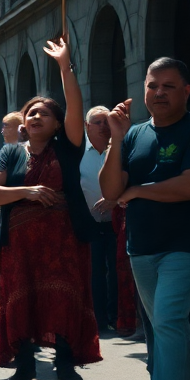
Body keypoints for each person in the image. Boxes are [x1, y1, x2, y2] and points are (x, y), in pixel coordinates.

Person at [101, 57, 190, 380]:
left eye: (168, 86)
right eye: (153, 86)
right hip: (142, 252)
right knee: (171, 330)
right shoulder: (134, 134)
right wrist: (115, 142)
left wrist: (137, 191)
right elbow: (110, 192)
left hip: (188, 249)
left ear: (186, 91)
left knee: (167, 322)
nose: (159, 93)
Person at [0, 38, 99, 380]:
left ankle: (65, 364)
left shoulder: (69, 148)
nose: (34, 116)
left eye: (43, 113)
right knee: (22, 301)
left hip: (63, 242)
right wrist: (28, 191)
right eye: (30, 112)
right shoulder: (9, 153)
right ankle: (25, 364)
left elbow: (76, 106)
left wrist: (65, 67)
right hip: (19, 245)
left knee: (63, 297)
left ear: (57, 124)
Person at [79, 106, 121, 334]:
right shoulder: (79, 154)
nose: (103, 126)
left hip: (116, 220)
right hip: (90, 223)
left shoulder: (118, 149)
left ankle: (116, 316)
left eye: (106, 121)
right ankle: (98, 318)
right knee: (94, 271)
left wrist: (115, 200)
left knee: (116, 270)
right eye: (98, 122)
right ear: (87, 126)